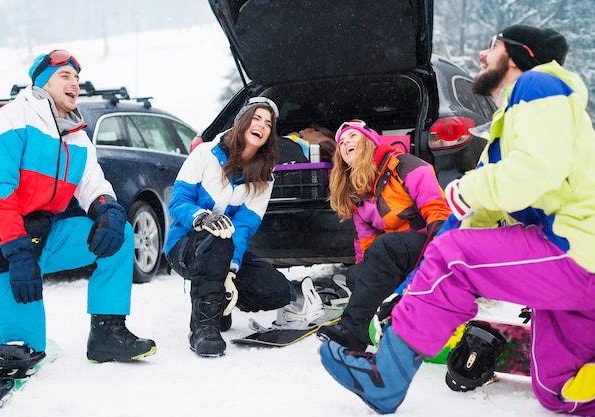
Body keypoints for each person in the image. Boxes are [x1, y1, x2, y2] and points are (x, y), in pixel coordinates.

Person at [319, 25, 595, 416]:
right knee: (559, 389)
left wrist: (465, 191)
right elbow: (475, 218)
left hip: (579, 246)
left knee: (454, 256)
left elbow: (536, 171)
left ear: (517, 56)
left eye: (493, 47)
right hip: (572, 266)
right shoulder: (510, 129)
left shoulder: (539, 83)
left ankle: (386, 377)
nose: (482, 56)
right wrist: (412, 297)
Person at [0, 50, 156, 372]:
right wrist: (17, 253)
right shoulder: (8, 121)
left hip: (41, 237)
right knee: (24, 350)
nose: (75, 84)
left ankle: (107, 333)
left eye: (77, 78)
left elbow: (93, 184)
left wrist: (108, 209)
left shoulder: (77, 135)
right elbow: (0, 196)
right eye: (65, 76)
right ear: (42, 83)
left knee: (119, 232)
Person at [165, 97, 298, 358]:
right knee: (216, 239)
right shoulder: (204, 154)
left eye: (268, 123)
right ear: (242, 121)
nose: (261, 125)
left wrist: (231, 269)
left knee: (277, 291)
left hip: (225, 252)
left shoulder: (264, 176)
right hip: (185, 246)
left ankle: (220, 301)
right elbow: (178, 202)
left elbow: (244, 227)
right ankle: (203, 328)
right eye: (256, 118)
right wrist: (202, 218)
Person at [316, 120, 451, 350]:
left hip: (433, 248)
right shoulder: (358, 194)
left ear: (369, 142)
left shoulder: (405, 165)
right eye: (342, 142)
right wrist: (362, 274)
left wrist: (440, 261)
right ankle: (385, 322)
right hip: (397, 256)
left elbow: (438, 212)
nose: (346, 142)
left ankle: (353, 331)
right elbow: (365, 244)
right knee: (357, 275)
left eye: (353, 137)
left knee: (387, 246)